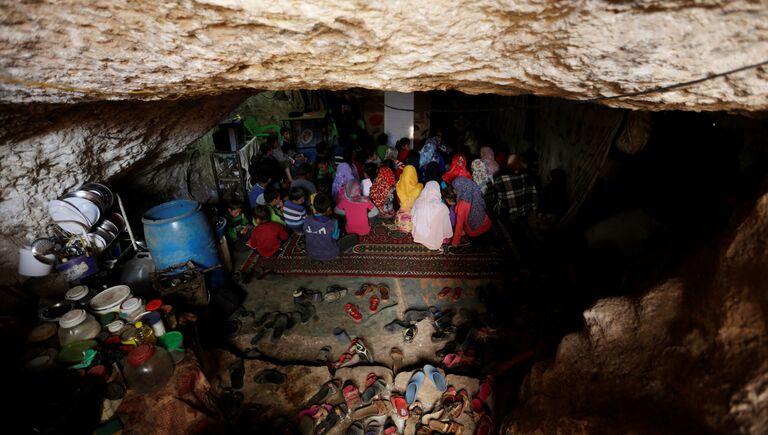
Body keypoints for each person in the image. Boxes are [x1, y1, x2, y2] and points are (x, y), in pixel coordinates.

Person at [304, 193, 358, 261]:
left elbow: (305, 232)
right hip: (330, 254)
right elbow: (336, 237)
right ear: (328, 208)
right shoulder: (333, 222)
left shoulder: (307, 219)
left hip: (311, 252)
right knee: (354, 237)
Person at [492, 155, 538, 220]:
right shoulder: (530, 178)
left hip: (508, 216)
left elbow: (495, 198)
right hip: (526, 213)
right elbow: (534, 199)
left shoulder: (500, 180)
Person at [411, 181, 453, 251]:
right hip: (435, 236)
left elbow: (413, 216)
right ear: (437, 191)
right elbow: (446, 227)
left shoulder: (418, 202)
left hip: (419, 234)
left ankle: (422, 237)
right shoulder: (442, 207)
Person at [451, 176, 492, 246]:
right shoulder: (477, 192)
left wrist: (455, 242)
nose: (454, 191)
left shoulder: (462, 204)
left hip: (475, 233)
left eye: (455, 189)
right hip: (487, 226)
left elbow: (459, 225)